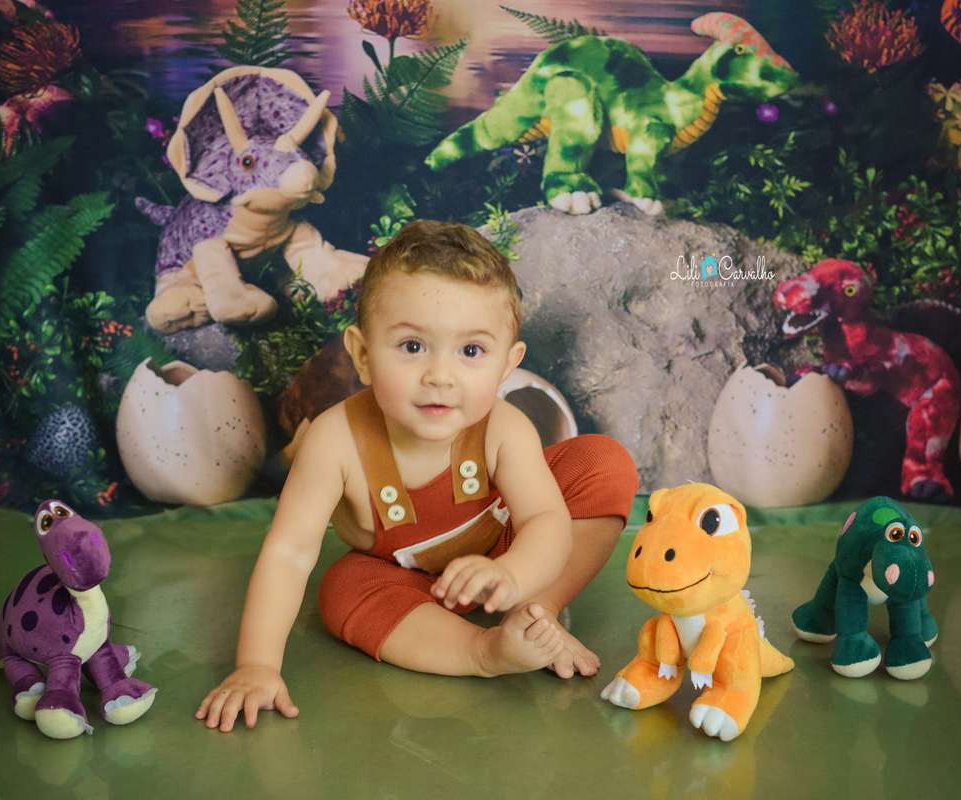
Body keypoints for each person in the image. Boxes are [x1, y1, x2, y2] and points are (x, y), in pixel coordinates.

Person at [197, 219, 638, 731]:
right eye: (412, 347)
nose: (440, 376)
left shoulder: (503, 428)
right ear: (363, 355)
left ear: (506, 365)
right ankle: (482, 650)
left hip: (505, 553)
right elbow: (290, 552)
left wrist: (516, 576)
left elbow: (543, 519)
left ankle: (537, 617)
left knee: (601, 462)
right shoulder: (335, 440)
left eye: (471, 352)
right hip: (402, 577)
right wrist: (256, 665)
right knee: (342, 588)